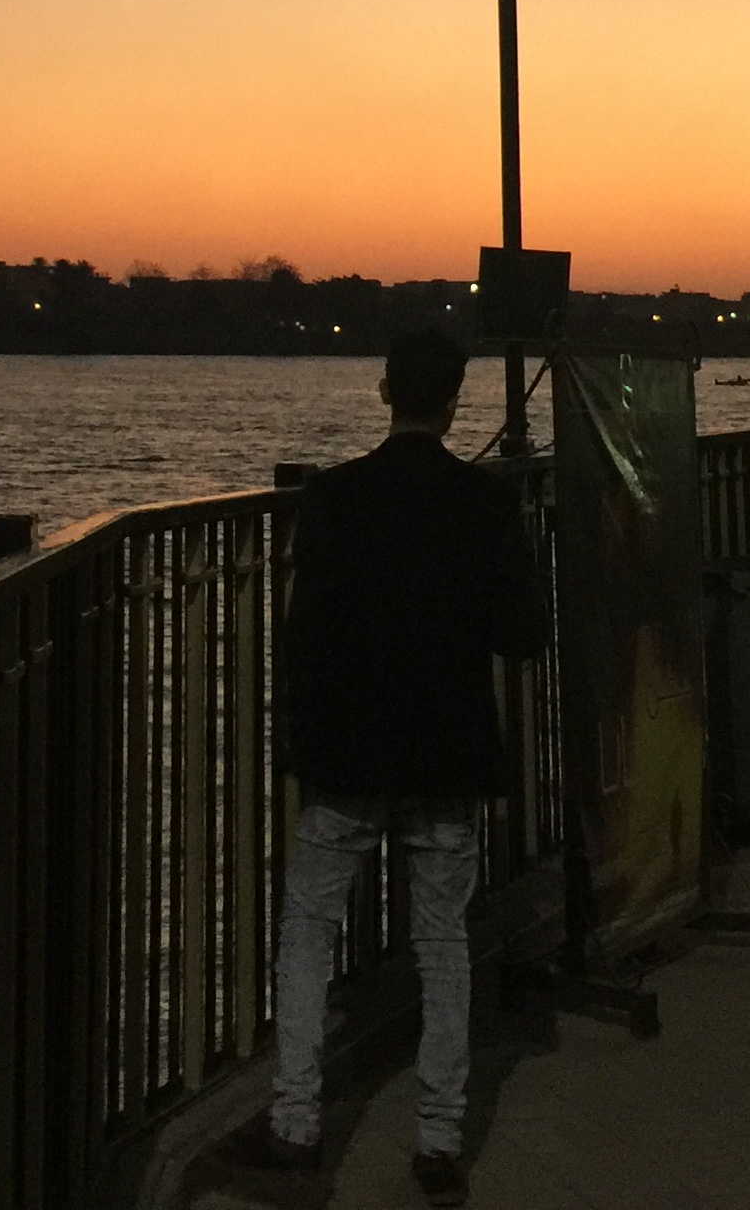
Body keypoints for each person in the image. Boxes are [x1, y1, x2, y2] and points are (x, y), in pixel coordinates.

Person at [235, 330, 551, 1204]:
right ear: (454, 402)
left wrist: (301, 735)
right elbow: (524, 633)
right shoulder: (485, 503)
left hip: (350, 749)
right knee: (443, 942)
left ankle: (295, 1122)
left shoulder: (334, 498)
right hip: (448, 750)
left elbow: (305, 634)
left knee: (308, 928)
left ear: (384, 392)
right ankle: (438, 1140)